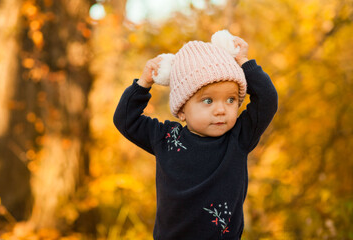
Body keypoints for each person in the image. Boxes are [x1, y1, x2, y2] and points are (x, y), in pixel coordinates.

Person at [113, 30, 278, 240]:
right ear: (182, 110)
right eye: (208, 101)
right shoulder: (166, 139)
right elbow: (126, 120)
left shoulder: (238, 138)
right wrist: (144, 83)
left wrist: (243, 61)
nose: (221, 110)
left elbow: (267, 99)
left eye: (231, 100)